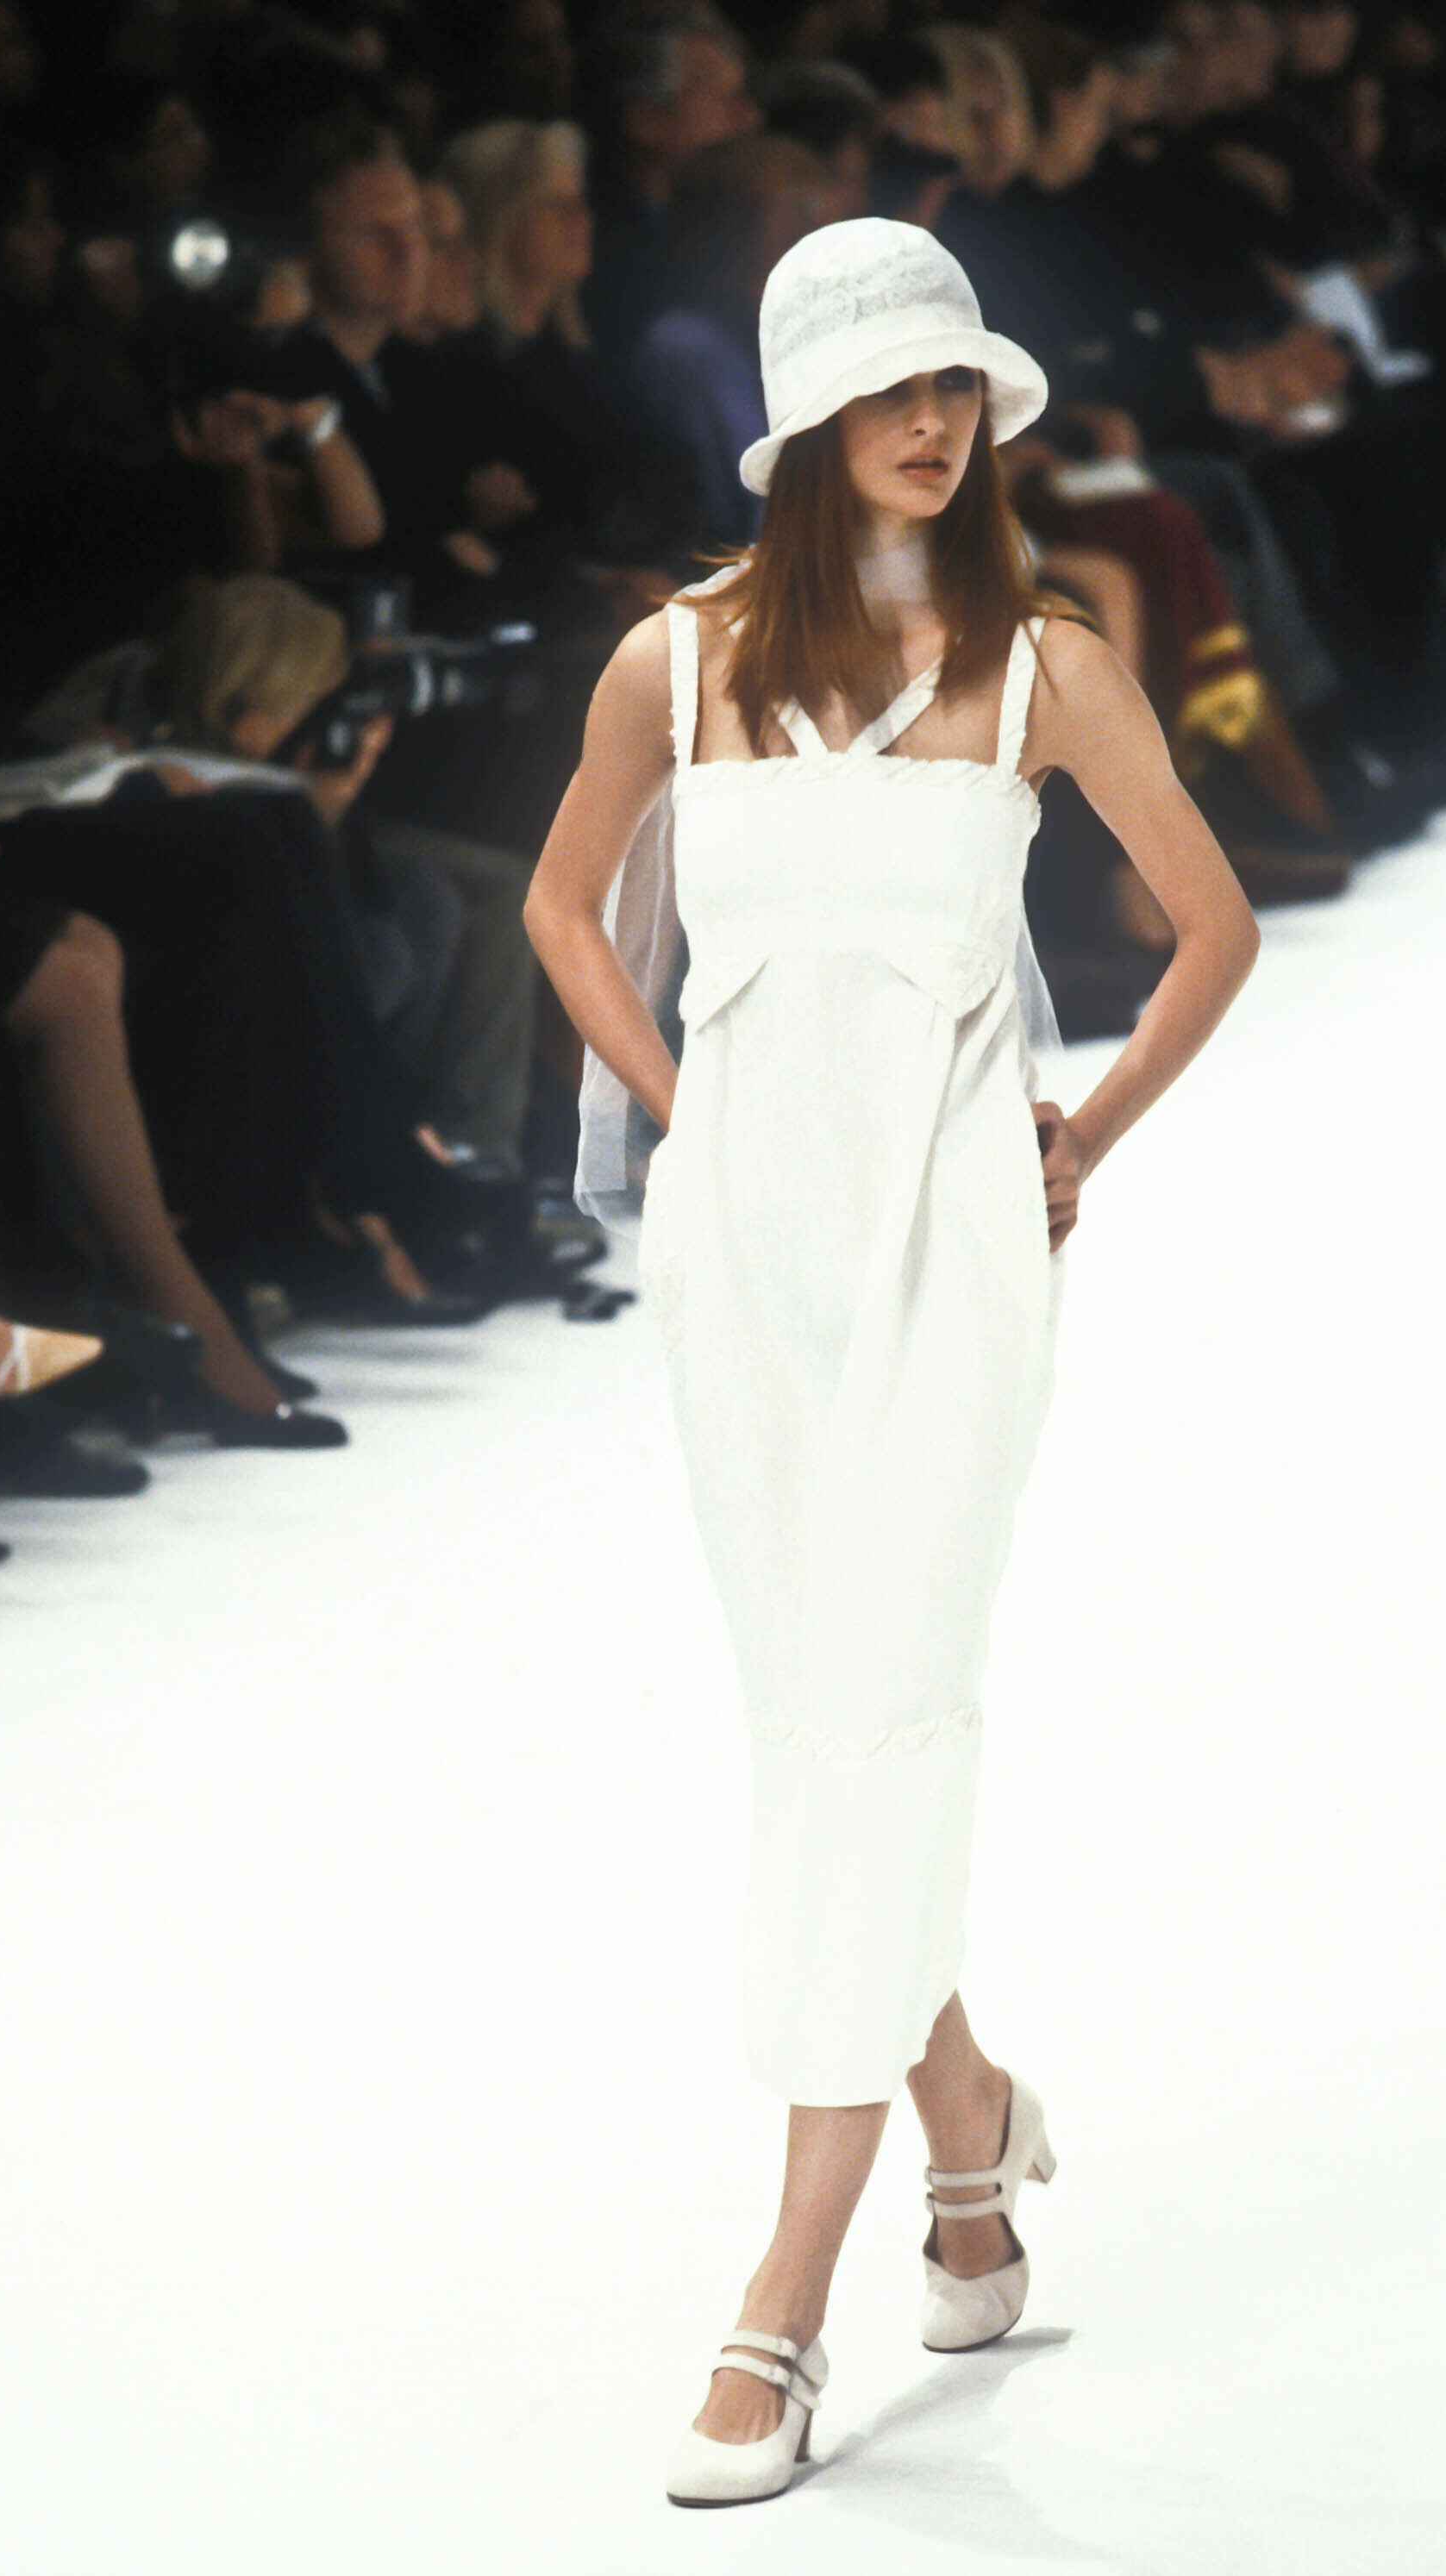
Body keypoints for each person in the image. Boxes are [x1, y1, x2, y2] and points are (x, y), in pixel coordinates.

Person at [523, 217, 1258, 2508]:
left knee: (882, 1715)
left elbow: (1214, 926)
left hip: (955, 1252)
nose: (937, 424)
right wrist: (680, 1106)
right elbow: (560, 902)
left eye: (959, 387)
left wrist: (1082, 1137)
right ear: (806, 420)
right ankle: (970, 2134)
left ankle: (785, 2289)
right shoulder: (672, 663)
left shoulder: (1048, 667)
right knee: (825, 1727)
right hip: (744, 1264)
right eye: (892, 390)